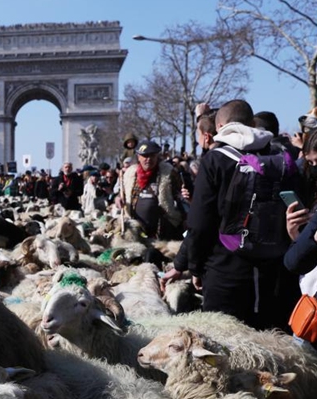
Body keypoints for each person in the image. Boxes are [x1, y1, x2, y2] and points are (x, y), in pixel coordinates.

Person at [187, 99, 300, 331]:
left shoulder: (214, 160)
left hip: (224, 272)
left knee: (223, 350)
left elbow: (199, 224)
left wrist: (195, 268)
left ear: (219, 127)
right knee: (268, 350)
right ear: (252, 123)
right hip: (272, 274)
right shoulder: (281, 157)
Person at [120, 140, 186, 239]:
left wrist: (184, 219)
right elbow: (123, 195)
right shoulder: (130, 174)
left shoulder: (168, 173)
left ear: (157, 156)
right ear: (138, 156)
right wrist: (118, 200)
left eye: (152, 156)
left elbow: (181, 197)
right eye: (145, 156)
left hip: (163, 229)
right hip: (136, 230)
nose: (149, 159)